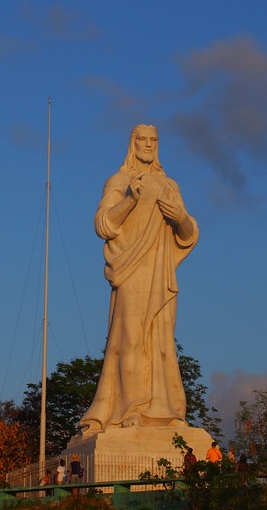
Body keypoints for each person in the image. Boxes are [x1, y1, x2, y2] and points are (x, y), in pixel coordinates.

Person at [80, 124, 199, 435]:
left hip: (161, 274)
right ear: (132, 144)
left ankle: (167, 412)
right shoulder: (120, 180)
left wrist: (180, 217)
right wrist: (131, 199)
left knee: (162, 343)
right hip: (131, 272)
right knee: (131, 339)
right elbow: (103, 223)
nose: (148, 145)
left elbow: (188, 234)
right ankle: (131, 409)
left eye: (153, 140)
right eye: (142, 140)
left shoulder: (169, 185)